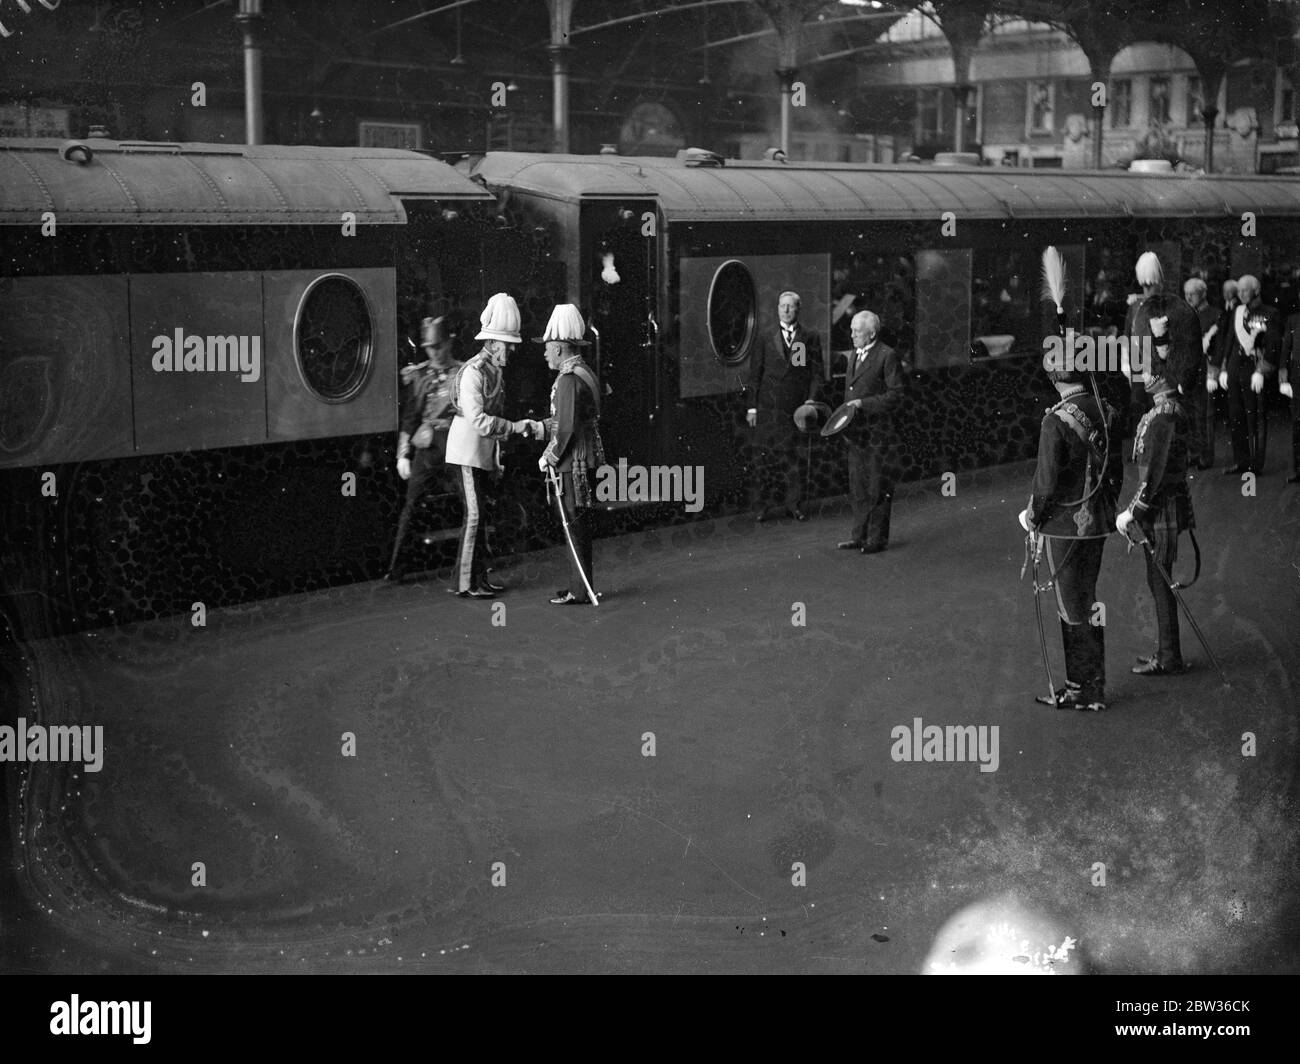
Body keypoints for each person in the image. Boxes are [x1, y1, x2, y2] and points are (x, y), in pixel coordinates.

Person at [1019, 291, 1123, 712]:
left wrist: (1032, 518)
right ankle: (1091, 683)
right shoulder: (1106, 410)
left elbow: (1045, 486)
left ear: (1054, 376)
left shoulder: (1054, 421)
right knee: (1088, 597)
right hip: (1097, 520)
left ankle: (1082, 688)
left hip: (1063, 525)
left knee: (1071, 605)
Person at [1116, 307, 1196, 677]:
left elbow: (1157, 475)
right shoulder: (1163, 411)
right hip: (1162, 506)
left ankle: (1169, 655)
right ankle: (1167, 652)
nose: (1143, 376)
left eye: (1149, 370)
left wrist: (1135, 510)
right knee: (1157, 578)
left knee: (1159, 579)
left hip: (1159, 507)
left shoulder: (1164, 415)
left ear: (1160, 375)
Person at [445, 293, 540, 599]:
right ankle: (465, 583)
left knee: (481, 516)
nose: (511, 351)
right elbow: (479, 421)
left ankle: (478, 579)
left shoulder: (495, 372)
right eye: (508, 345)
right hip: (465, 454)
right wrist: (513, 428)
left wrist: (496, 460)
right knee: (474, 516)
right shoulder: (473, 372)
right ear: (494, 343)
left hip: (481, 454)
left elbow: (492, 423)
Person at [535, 305, 605, 605]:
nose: (546, 354)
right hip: (587, 455)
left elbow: (564, 429)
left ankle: (579, 589)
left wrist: (548, 457)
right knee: (579, 523)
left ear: (561, 348)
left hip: (570, 461)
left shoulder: (566, 380)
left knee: (572, 522)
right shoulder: (584, 371)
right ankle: (581, 584)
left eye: (549, 349)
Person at [384, 317, 462, 583]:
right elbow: (410, 417)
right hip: (427, 446)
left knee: (472, 504)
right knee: (411, 505)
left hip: (455, 444)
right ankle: (397, 567)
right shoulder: (420, 376)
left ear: (448, 343)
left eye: (438, 345)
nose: (434, 351)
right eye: (429, 347)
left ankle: (473, 564)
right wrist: (402, 453)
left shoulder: (463, 372)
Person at [746, 291, 824, 522]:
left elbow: (817, 374)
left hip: (795, 409)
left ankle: (794, 504)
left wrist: (811, 400)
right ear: (777, 308)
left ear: (798, 309)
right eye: (783, 306)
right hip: (768, 408)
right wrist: (752, 408)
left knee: (793, 458)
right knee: (764, 459)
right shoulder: (764, 337)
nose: (786, 310)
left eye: (791, 307)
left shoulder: (809, 337)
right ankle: (762, 506)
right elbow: (754, 375)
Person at [836, 310, 905, 554]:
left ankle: (876, 539)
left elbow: (896, 394)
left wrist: (863, 405)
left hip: (878, 435)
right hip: (857, 435)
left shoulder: (887, 356)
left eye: (857, 331)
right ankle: (859, 535)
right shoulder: (855, 354)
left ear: (872, 333)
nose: (852, 334)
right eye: (852, 329)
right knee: (858, 487)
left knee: (877, 487)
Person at [1208, 274, 1280, 475]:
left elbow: (1273, 346)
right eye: (1238, 291)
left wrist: (1261, 371)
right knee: (1236, 416)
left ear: (1256, 290)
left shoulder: (1269, 313)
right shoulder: (1237, 312)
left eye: (1245, 290)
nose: (1240, 294)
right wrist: (1222, 369)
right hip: (1233, 369)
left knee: (1254, 416)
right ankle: (1241, 461)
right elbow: (1228, 342)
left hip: (1253, 371)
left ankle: (1255, 464)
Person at [1183, 277, 1218, 469]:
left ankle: (1206, 456)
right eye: (1186, 294)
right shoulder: (1185, 315)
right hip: (1189, 371)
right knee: (1189, 414)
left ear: (1203, 294)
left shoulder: (1214, 315)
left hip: (1206, 369)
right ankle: (1193, 453)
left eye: (1192, 294)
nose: (1188, 297)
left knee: (1205, 415)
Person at [1280, 310, 1300, 483]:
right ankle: (1299, 470)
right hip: (1297, 377)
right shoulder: (1293, 320)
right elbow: (1286, 346)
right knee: (1297, 424)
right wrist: (1283, 371)